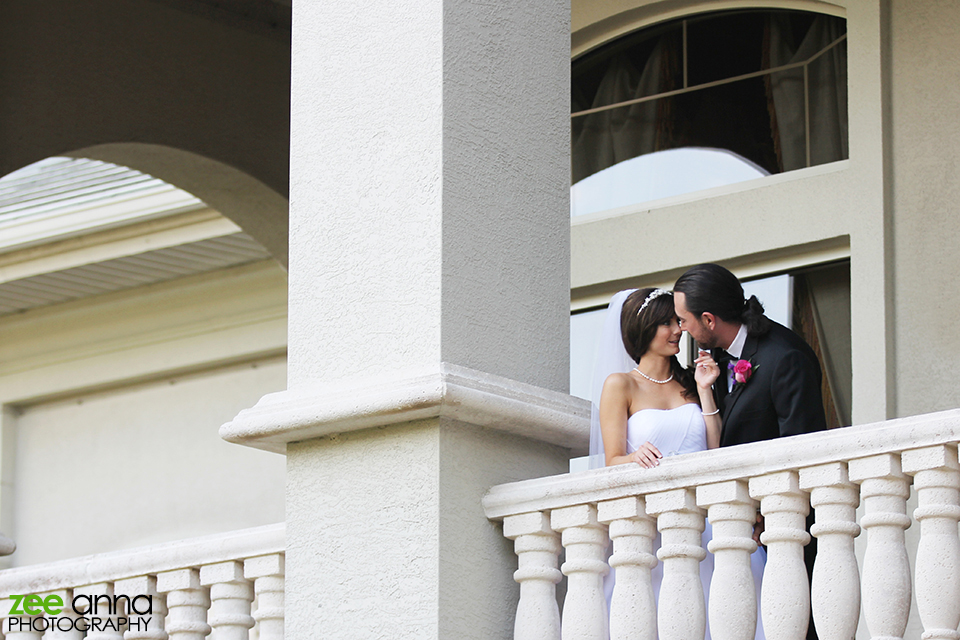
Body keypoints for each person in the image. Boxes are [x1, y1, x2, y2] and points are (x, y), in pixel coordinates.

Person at [590, 287, 765, 640]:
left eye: (677, 321)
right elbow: (612, 461)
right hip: (654, 526)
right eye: (665, 323)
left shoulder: (690, 380)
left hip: (707, 520)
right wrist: (632, 457)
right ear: (642, 329)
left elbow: (713, 448)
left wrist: (704, 390)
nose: (677, 330)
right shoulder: (620, 385)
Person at [673, 263, 827, 640]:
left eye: (683, 320)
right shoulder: (721, 357)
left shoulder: (785, 356)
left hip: (785, 532)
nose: (681, 329)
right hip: (742, 532)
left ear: (708, 319)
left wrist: (765, 514)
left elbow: (801, 449)